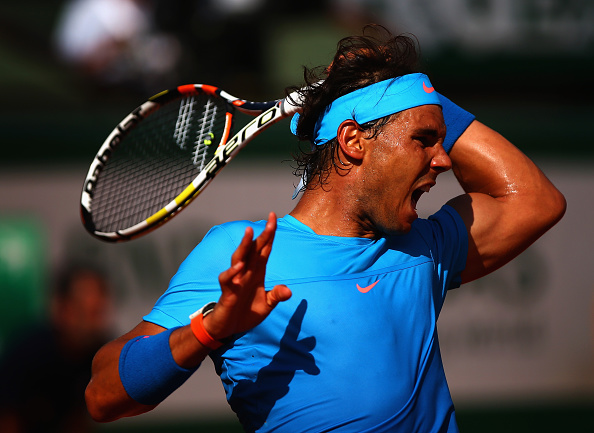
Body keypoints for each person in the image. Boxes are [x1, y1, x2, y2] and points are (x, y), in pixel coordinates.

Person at [84, 25, 566, 432]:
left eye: (442, 141)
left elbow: (538, 201)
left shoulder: (424, 247)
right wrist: (211, 328)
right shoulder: (242, 252)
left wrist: (417, 91)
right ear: (354, 141)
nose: (444, 160)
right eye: (423, 140)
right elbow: (103, 395)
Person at [0, 263, 113, 433]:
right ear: (63, 309)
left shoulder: (99, 353)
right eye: (89, 312)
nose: (97, 323)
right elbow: (7, 419)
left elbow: (78, 420)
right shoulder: (28, 353)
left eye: (99, 311)